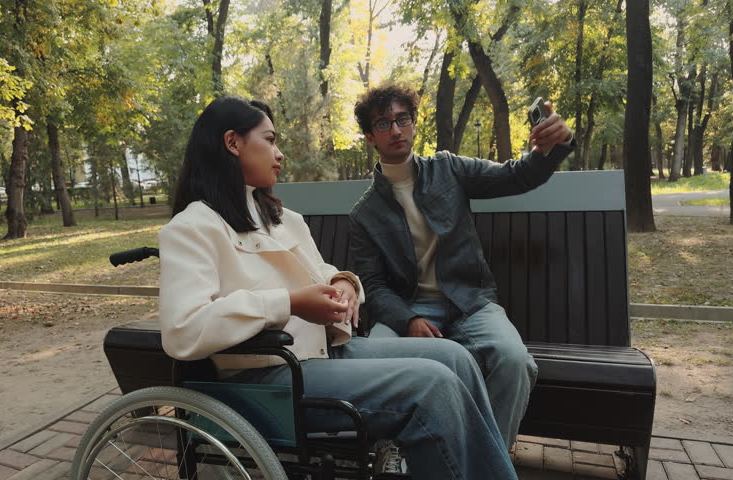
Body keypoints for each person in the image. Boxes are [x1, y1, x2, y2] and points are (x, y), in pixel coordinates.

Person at [158, 95, 518, 479]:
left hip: (323, 354)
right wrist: (289, 303)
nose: (280, 154)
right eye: (270, 140)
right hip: (267, 380)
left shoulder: (284, 220)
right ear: (233, 143)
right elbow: (183, 330)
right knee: (432, 385)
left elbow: (325, 275)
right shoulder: (192, 227)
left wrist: (345, 283)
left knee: (455, 358)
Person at [349, 84, 575, 450]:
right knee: (373, 364)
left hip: (469, 303)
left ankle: (487, 463)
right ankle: (396, 452)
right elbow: (372, 286)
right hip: (409, 310)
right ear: (370, 137)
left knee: (514, 361)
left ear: (413, 124)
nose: (395, 130)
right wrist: (407, 321)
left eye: (402, 119)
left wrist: (553, 146)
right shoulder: (365, 214)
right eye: (383, 124)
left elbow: (517, 176)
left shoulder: (448, 169)